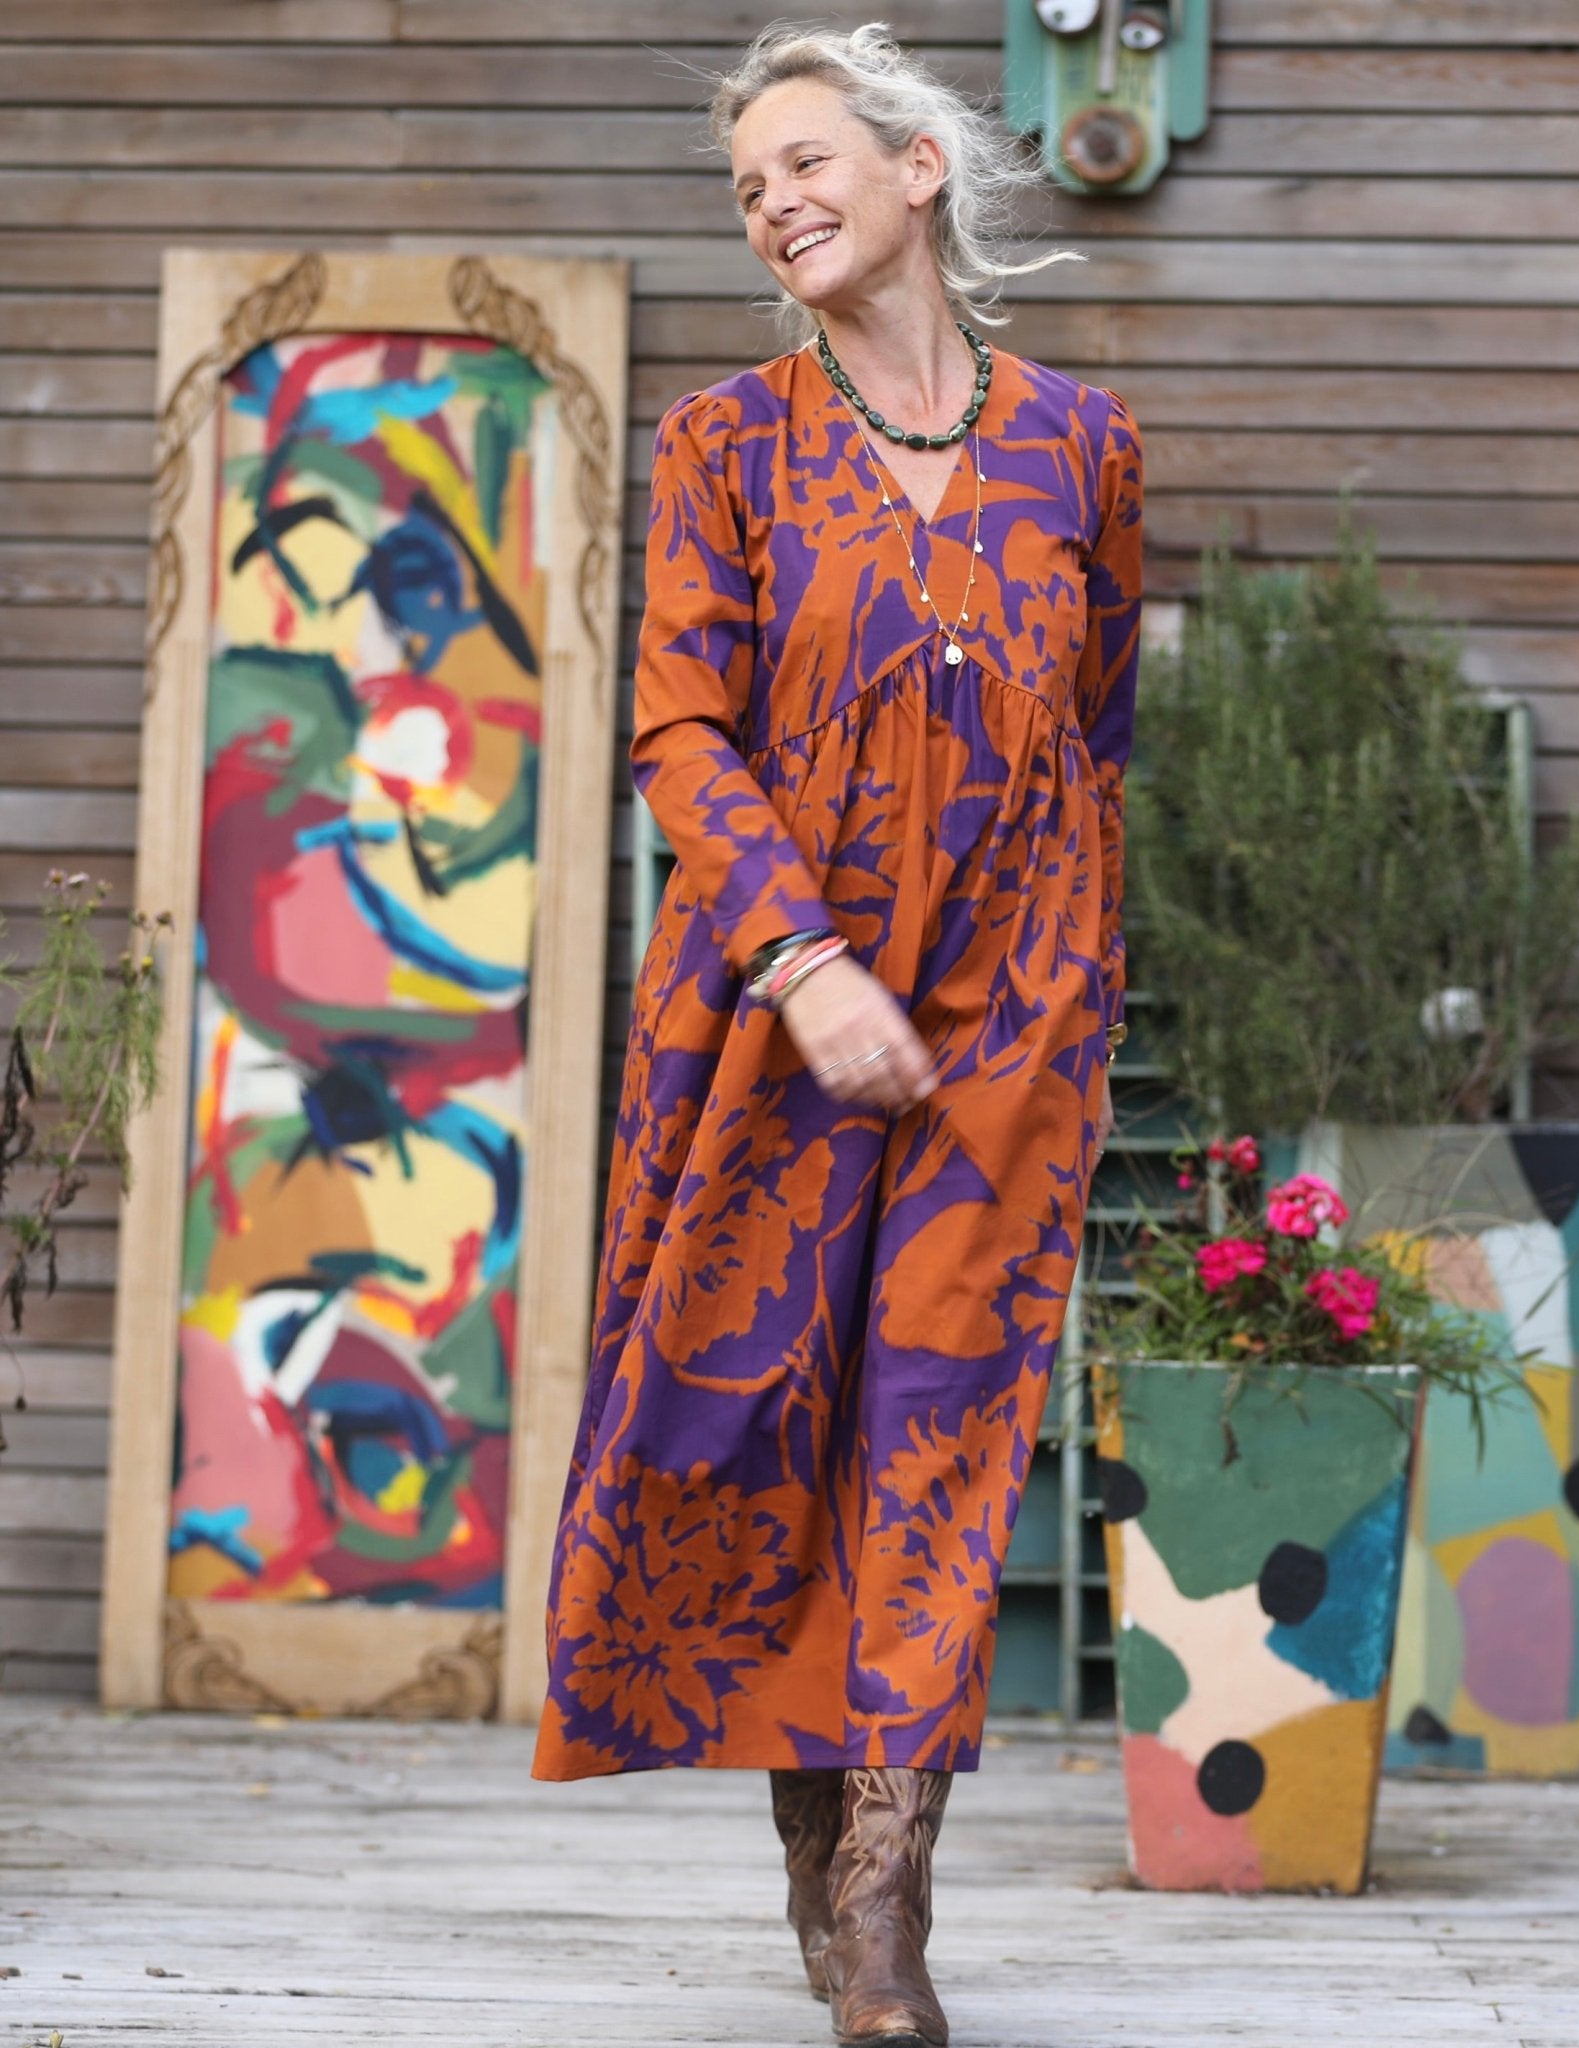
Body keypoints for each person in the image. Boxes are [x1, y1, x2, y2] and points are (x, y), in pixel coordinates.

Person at [529, 23, 1143, 2048]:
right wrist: (804, 960)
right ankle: (812, 1856)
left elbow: (1098, 734)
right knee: (760, 1425)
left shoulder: (1083, 445)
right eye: (747, 188)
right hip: (764, 1018)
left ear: (916, 170)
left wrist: (1068, 976)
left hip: (1009, 1030)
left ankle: (883, 1909)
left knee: (941, 1435)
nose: (774, 203)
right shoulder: (724, 444)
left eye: (804, 163)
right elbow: (679, 731)